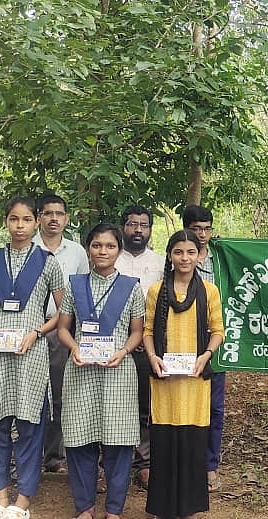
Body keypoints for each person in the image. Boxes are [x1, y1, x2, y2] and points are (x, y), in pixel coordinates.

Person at [0, 196, 66, 519]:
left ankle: (22, 500)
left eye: (27, 220)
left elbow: (61, 311)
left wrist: (38, 333)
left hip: (31, 352)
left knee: (30, 425)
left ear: (37, 222)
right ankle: (0, 498)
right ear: (6, 221)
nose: (20, 226)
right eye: (14, 219)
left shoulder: (48, 261)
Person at [55, 223, 146, 519]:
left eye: (109, 246)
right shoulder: (75, 284)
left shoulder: (131, 287)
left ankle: (114, 509)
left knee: (118, 443)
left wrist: (124, 351)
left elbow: (137, 332)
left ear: (119, 250)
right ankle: (84, 507)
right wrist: (75, 348)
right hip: (81, 371)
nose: (102, 251)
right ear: (88, 249)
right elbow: (63, 328)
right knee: (80, 440)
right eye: (96, 245)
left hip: (117, 372)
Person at [142, 229, 224, 519]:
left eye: (190, 252)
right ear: (170, 255)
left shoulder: (209, 291)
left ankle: (189, 509)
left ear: (197, 256)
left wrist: (206, 355)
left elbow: (218, 331)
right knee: (164, 443)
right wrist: (152, 357)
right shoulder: (156, 290)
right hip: (165, 381)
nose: (185, 257)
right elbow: (148, 331)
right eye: (179, 252)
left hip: (194, 382)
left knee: (192, 445)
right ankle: (163, 509)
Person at [33, 194, 90, 474]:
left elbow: (83, 293)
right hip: (27, 329)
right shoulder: (26, 248)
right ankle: (28, 454)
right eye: (47, 213)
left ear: (66, 218)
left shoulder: (78, 252)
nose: (53, 218)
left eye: (59, 213)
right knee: (28, 392)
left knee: (58, 391)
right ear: (38, 218)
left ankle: (54, 455)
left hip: (62, 330)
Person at [114, 205, 166, 488]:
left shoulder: (160, 263)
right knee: (115, 403)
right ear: (124, 226)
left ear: (149, 230)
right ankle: (110, 464)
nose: (138, 230)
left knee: (146, 405)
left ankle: (144, 463)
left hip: (149, 345)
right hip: (114, 344)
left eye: (143, 225)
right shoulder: (110, 258)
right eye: (133, 224)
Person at [181, 204, 226, 492]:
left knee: (215, 407)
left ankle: (209, 465)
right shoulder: (176, 258)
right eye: (196, 229)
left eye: (207, 228)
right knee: (181, 406)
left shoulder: (221, 260)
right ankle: (182, 463)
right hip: (180, 345)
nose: (202, 234)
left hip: (214, 343)